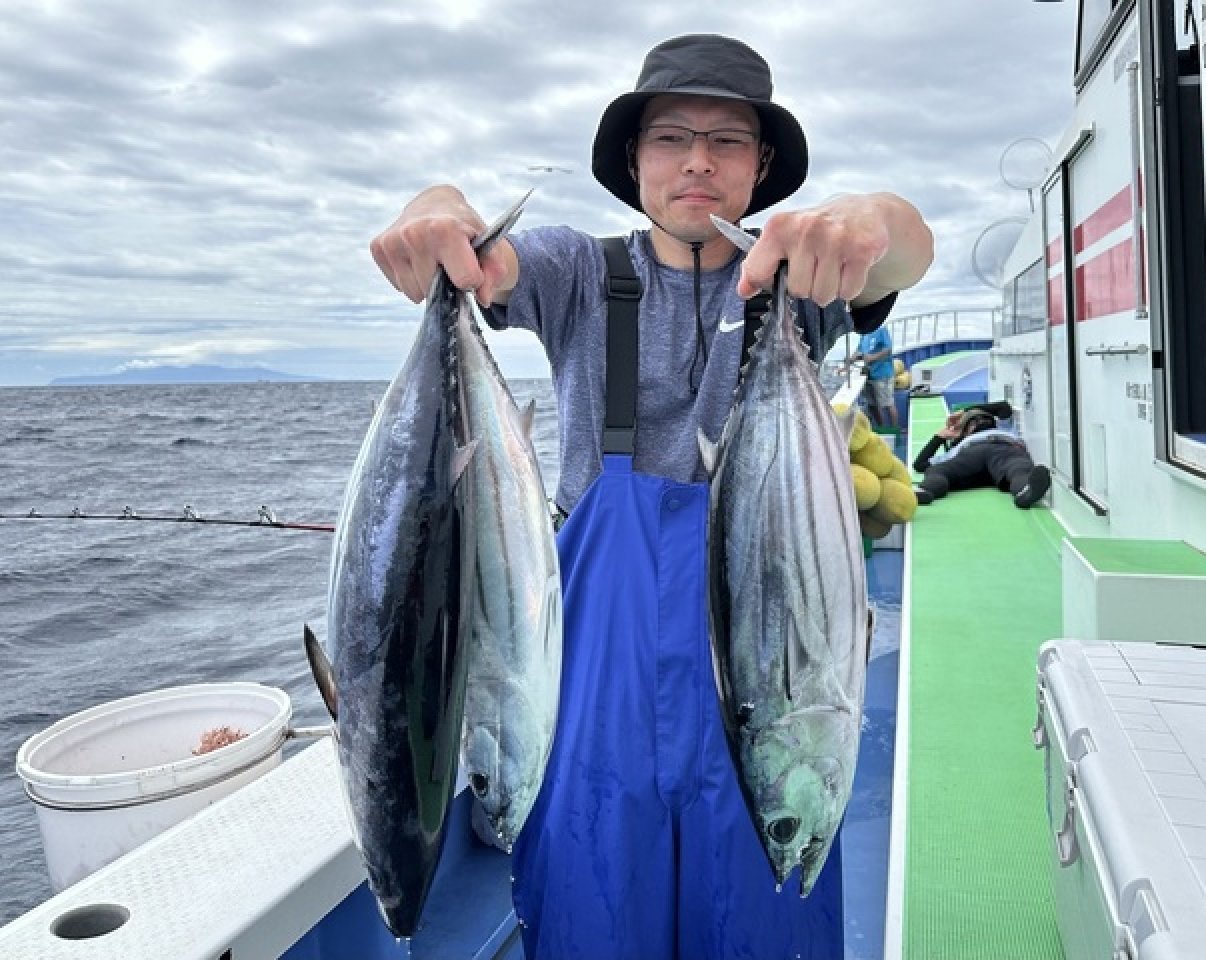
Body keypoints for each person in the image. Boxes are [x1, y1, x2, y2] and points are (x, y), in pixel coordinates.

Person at [369, 33, 933, 960]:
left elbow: (906, 249)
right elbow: (485, 259)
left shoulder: (805, 283)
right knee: (595, 920)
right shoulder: (582, 274)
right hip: (596, 689)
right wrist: (434, 215)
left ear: (762, 169)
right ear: (634, 162)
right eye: (672, 137)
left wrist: (869, 219)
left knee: (762, 912)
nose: (700, 160)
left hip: (756, 663)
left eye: (729, 140)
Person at [912, 400, 1051, 508]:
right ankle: (926, 491)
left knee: (1019, 468)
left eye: (985, 418)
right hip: (971, 454)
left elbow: (1003, 407)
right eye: (973, 421)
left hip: (1004, 449)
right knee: (937, 470)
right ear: (964, 431)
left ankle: (1025, 492)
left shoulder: (1005, 429)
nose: (980, 421)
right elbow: (920, 464)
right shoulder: (958, 446)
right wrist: (939, 437)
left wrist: (966, 411)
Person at [853, 323, 897, 429]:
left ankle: (895, 431)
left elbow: (888, 349)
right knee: (873, 404)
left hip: (882, 373)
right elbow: (860, 351)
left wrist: (872, 357)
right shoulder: (864, 332)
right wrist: (850, 359)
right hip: (869, 374)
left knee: (887, 403)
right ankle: (881, 429)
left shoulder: (881, 329)